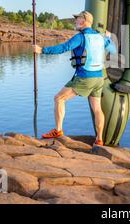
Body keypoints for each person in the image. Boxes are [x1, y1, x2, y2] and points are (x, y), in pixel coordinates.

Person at [32, 11, 116, 146]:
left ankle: (58, 131)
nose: (75, 21)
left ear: (84, 21)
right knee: (97, 109)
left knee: (59, 98)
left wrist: (42, 50)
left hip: (85, 78)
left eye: (77, 19)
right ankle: (99, 139)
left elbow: (64, 47)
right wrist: (109, 37)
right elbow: (112, 50)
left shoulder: (81, 37)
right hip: (99, 78)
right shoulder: (101, 37)